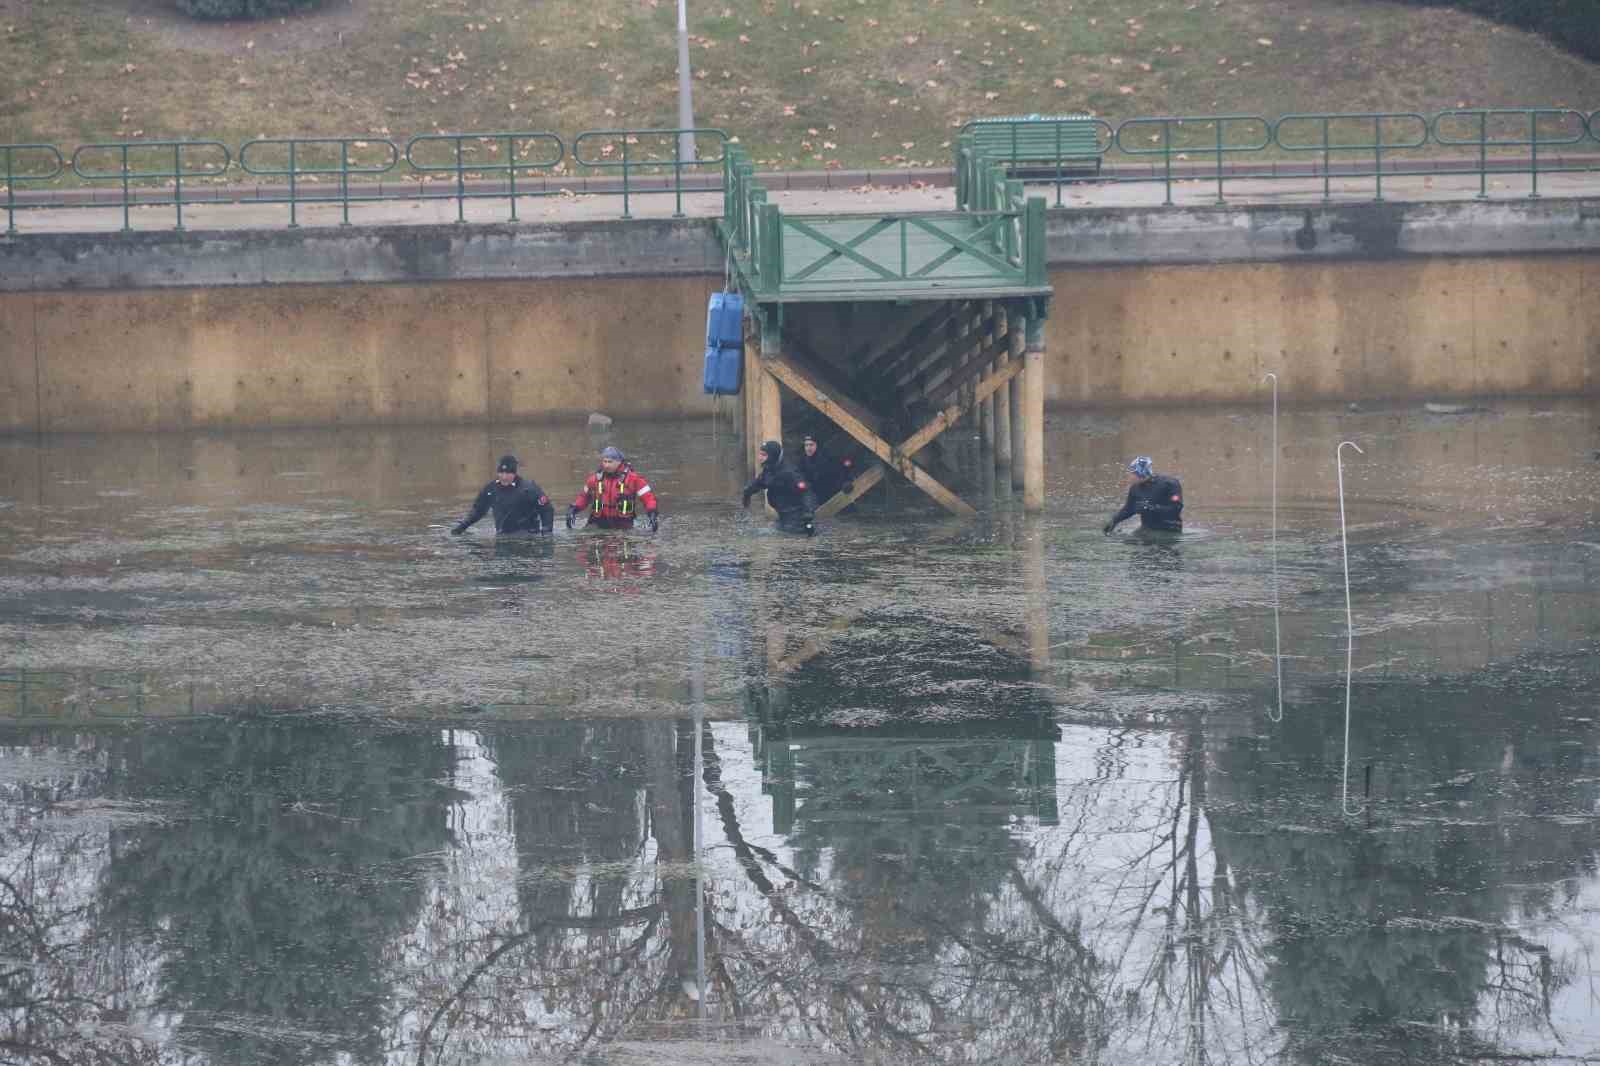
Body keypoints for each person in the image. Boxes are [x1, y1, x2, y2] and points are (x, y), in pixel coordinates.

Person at [451, 454, 555, 535]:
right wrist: (463, 526)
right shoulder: (490, 489)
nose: (504, 477)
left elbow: (547, 509)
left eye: (508, 473)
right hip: (503, 537)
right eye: (501, 473)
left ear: (514, 473)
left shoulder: (529, 488)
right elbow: (478, 510)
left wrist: (547, 530)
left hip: (528, 537)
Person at [568, 446, 660, 532]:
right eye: (605, 461)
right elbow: (583, 497)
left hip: (623, 523)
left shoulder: (633, 478)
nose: (607, 465)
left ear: (619, 462)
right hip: (598, 522)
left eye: (610, 462)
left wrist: (652, 513)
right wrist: (573, 510)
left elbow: (648, 498)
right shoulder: (595, 479)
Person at [742, 440, 818, 535]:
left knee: (782, 537)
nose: (760, 458)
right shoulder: (769, 469)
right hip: (783, 515)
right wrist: (747, 492)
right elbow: (759, 482)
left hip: (796, 518)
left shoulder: (789, 473)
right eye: (760, 454)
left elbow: (807, 492)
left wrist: (808, 513)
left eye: (764, 455)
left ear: (772, 456)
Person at [1104, 455, 1184, 534]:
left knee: (1137, 541)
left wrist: (1150, 508)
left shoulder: (1169, 484)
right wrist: (1114, 521)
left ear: (1141, 473)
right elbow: (1128, 509)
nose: (1130, 476)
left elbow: (1176, 508)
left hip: (1169, 529)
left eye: (1133, 473)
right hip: (1148, 528)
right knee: (1128, 541)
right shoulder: (1135, 488)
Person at [797, 433, 855, 501]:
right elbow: (801, 477)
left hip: (835, 488)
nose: (808, 448)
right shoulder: (803, 462)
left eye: (811, 445)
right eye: (806, 445)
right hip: (819, 494)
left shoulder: (827, 455)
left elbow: (842, 466)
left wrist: (845, 481)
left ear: (816, 445)